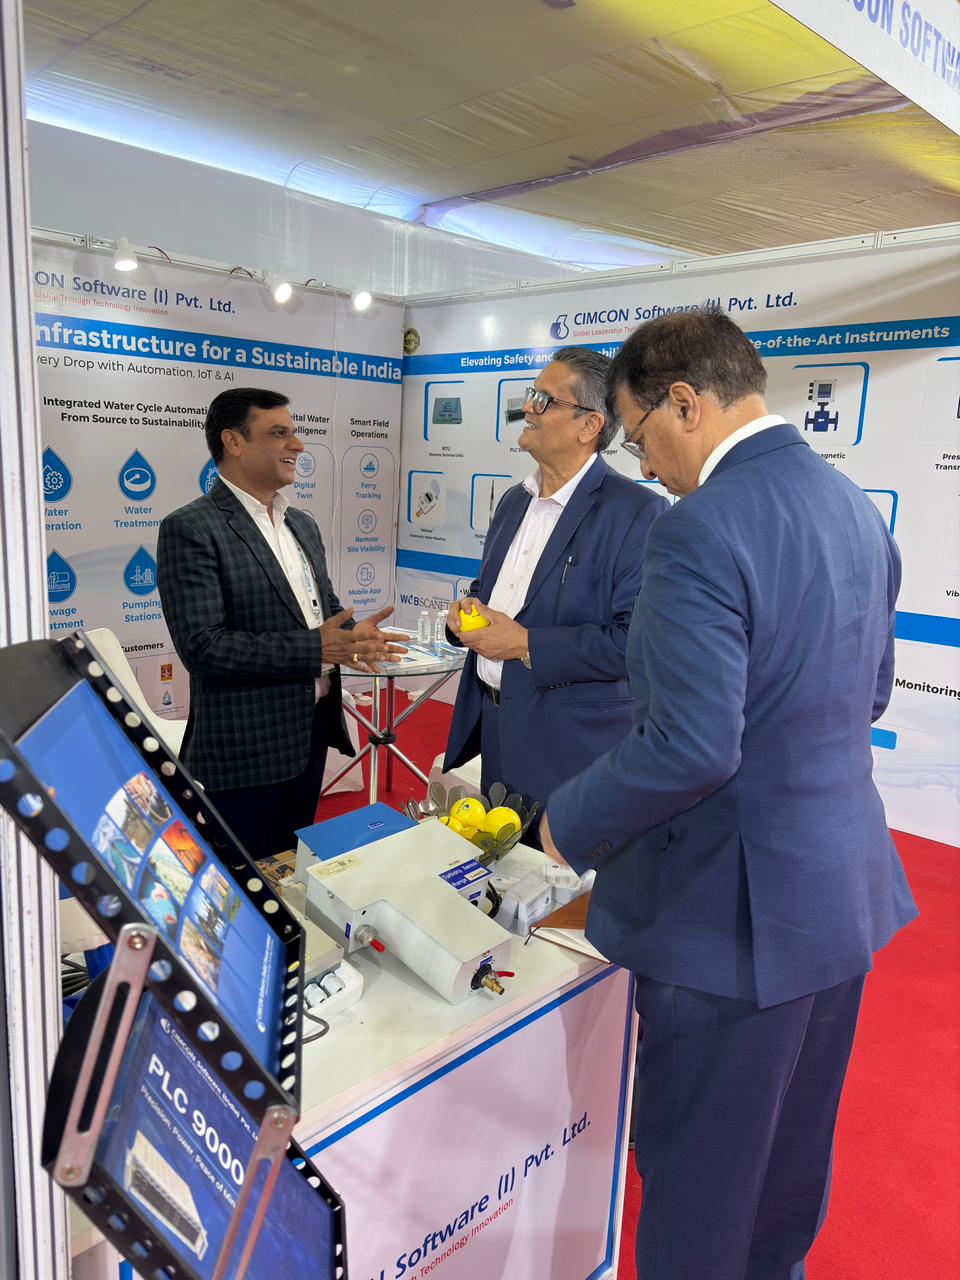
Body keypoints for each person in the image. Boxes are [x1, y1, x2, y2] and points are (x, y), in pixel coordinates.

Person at [541, 310, 918, 1279]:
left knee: (700, 1191)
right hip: (837, 896)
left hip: (726, 918)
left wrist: (562, 823)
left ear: (685, 402)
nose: (645, 463)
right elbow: (871, 692)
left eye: (639, 434)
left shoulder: (698, 527)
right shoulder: (854, 507)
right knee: (784, 1176)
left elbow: (691, 746)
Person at [157, 387, 405, 860]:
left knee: (291, 874)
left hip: (309, 735)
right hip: (243, 750)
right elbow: (203, 647)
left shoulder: (302, 524)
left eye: (295, 432)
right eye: (278, 433)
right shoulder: (191, 528)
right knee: (243, 885)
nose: (298, 445)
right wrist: (317, 649)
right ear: (233, 442)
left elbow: (323, 612)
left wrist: (353, 638)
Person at [443, 346, 667, 837]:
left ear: (590, 425)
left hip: (571, 745)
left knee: (556, 877)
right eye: (531, 395)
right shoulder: (513, 501)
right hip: (495, 728)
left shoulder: (636, 513)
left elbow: (635, 642)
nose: (527, 407)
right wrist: (464, 616)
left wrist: (523, 643)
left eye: (544, 400)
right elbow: (488, 593)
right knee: (503, 867)